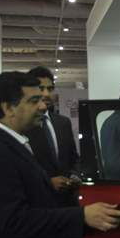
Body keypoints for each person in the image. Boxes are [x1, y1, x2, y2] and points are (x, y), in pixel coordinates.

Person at [0, 72, 120, 238]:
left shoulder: (16, 143)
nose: (43, 106)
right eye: (34, 101)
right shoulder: (3, 150)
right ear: (8, 107)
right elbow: (12, 220)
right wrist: (81, 216)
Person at [26, 66, 80, 207]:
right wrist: (47, 183)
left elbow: (73, 158)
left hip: (67, 201)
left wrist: (75, 176)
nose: (46, 94)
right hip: (37, 204)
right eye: (40, 88)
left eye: (50, 89)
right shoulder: (23, 125)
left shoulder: (63, 122)